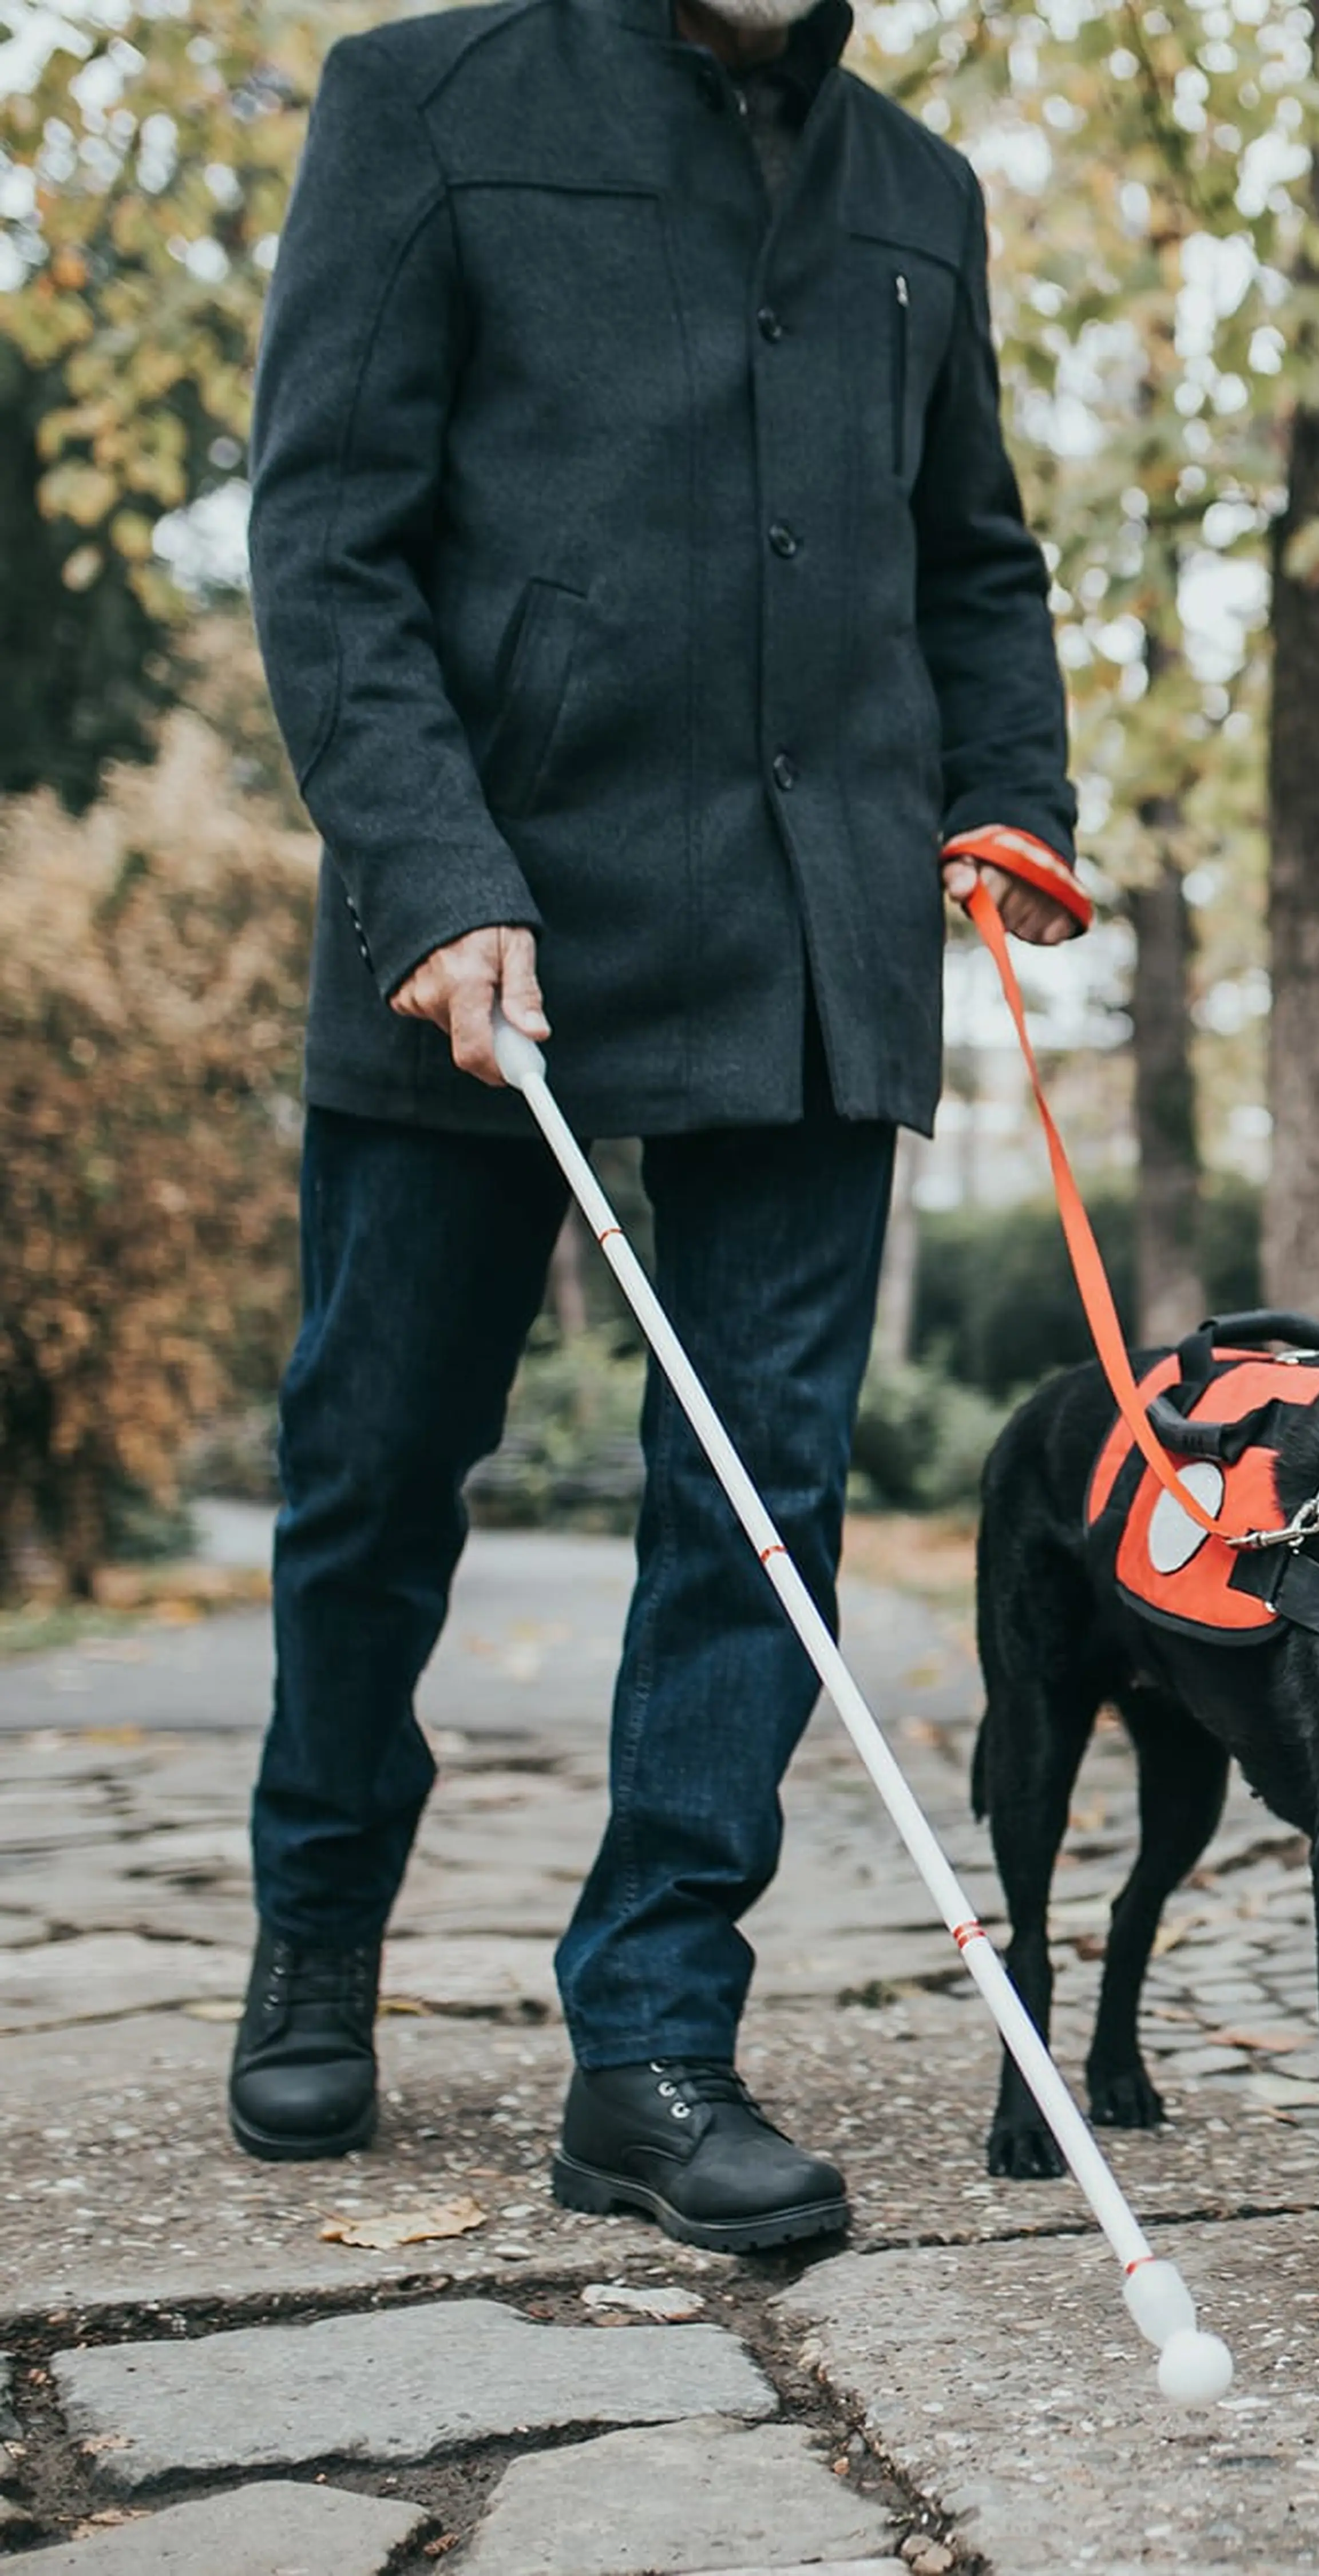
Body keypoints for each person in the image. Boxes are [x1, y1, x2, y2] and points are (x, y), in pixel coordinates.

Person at [232, 0, 1085, 2256]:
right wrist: (430, 869)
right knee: (374, 1457)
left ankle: (654, 2043)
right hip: (482, 918)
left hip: (815, 937)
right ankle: (319, 1913)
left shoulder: (921, 188)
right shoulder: (422, 103)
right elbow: (327, 537)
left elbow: (972, 556)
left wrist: (1008, 790)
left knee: (761, 1501)